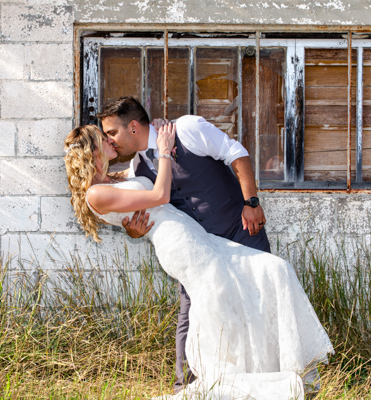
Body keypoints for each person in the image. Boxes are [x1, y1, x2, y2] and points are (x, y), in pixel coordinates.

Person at [63, 123, 334, 400]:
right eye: (103, 137)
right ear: (93, 150)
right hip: (179, 244)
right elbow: (160, 196)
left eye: (111, 132)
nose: (111, 140)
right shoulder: (95, 193)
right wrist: (165, 152)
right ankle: (230, 385)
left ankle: (278, 368)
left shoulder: (119, 176)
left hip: (196, 237)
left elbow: (140, 206)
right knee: (218, 304)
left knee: (274, 269)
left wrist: (132, 228)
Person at [95, 97, 271, 393]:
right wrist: (135, 232)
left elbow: (236, 153)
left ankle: (266, 376)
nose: (109, 141)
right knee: (190, 315)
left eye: (112, 133)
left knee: (259, 300)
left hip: (239, 229)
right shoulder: (139, 167)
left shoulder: (187, 129)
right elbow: (150, 208)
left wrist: (251, 202)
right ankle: (185, 389)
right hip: (198, 252)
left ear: (134, 127)